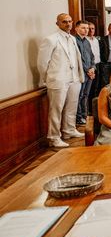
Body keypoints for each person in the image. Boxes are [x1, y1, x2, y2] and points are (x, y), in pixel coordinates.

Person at [37, 13, 85, 147]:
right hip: (58, 79)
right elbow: (42, 63)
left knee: (72, 106)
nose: (68, 24)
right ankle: (53, 137)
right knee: (56, 109)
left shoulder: (73, 39)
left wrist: (79, 76)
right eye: (64, 22)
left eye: (70, 21)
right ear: (57, 23)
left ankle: (69, 130)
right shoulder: (51, 39)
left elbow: (76, 58)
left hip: (74, 78)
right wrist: (48, 78)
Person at [75, 20, 95, 126]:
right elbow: (77, 59)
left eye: (87, 28)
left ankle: (84, 115)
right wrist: (88, 70)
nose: (86, 30)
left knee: (86, 95)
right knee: (80, 95)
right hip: (81, 73)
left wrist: (93, 68)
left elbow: (92, 56)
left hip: (89, 73)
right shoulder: (74, 41)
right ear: (76, 29)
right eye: (83, 28)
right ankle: (79, 117)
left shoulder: (86, 41)